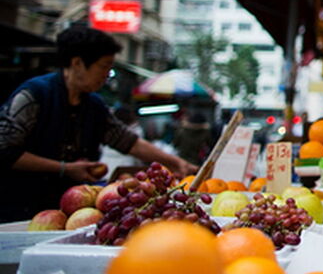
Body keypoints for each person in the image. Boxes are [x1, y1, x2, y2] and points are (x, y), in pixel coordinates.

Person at [0, 26, 199, 221]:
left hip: (71, 214)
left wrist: (175, 163)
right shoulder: (33, 95)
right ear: (77, 63)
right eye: (104, 66)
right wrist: (64, 168)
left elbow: (128, 141)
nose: (107, 74)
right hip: (19, 211)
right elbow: (5, 151)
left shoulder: (93, 105)